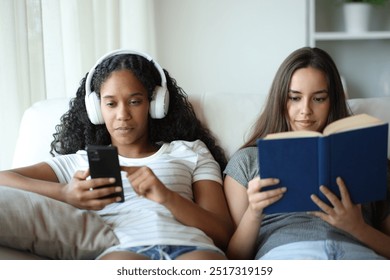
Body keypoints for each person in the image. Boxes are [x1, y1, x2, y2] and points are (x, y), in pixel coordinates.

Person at [0, 49, 233, 260]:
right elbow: (4, 179)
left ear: (155, 104)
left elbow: (223, 233)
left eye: (134, 101)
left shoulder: (191, 151)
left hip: (193, 248)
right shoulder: (79, 162)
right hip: (125, 250)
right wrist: (64, 193)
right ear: (96, 109)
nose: (123, 115)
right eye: (111, 104)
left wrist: (167, 196)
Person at [223, 47, 390, 260]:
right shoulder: (247, 161)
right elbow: (235, 260)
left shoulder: (368, 158)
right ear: (280, 100)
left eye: (318, 99)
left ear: (332, 102)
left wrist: (358, 228)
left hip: (357, 255)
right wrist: (254, 212)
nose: (305, 110)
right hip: (289, 256)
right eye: (295, 98)